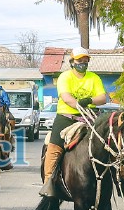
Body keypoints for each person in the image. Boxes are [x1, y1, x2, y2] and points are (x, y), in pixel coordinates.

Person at [40, 47, 108, 198]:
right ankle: (48, 182)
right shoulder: (65, 77)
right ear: (72, 62)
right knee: (54, 147)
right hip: (66, 117)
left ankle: (120, 179)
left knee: (108, 143)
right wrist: (78, 104)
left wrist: (89, 100)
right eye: (79, 61)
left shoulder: (94, 78)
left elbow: (103, 98)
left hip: (90, 117)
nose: (82, 64)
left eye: (85, 61)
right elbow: (66, 97)